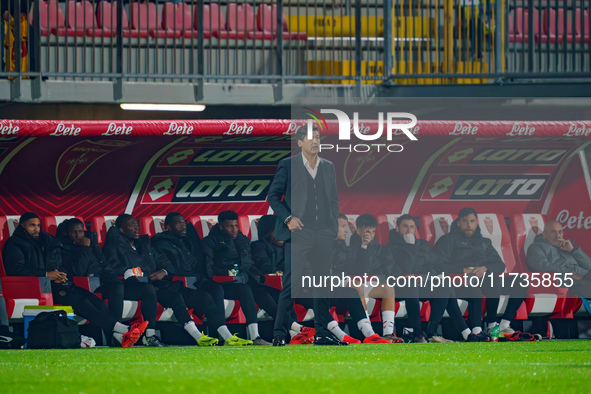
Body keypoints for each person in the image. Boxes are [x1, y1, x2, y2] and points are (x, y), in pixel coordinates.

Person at [3, 212, 145, 347]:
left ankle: (117, 338)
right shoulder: (14, 243)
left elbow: (57, 266)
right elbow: (15, 270)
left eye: (38, 225)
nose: (36, 229)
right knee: (82, 302)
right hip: (34, 287)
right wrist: (46, 274)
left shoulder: (46, 242)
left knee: (98, 303)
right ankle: (124, 329)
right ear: (22, 226)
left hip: (57, 284)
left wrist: (61, 274)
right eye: (32, 225)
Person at [267, 124, 342, 346]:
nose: (315, 141)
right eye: (310, 138)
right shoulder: (288, 165)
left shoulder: (328, 166)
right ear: (299, 143)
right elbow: (273, 196)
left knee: (322, 282)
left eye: (318, 137)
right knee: (291, 282)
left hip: (323, 232)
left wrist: (332, 228)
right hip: (299, 231)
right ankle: (279, 333)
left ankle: (321, 332)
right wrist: (288, 219)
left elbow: (334, 199)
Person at [103, 213, 217, 347]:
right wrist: (131, 271)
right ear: (121, 230)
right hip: (128, 286)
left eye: (136, 224)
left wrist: (163, 271)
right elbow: (111, 267)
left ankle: (198, 336)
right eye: (131, 225)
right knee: (149, 289)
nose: (136, 228)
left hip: (151, 285)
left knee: (175, 296)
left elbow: (166, 263)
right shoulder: (113, 245)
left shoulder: (144, 245)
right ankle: (149, 336)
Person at [151, 212, 252, 346]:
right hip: (175, 285)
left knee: (216, 288)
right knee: (204, 297)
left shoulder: (189, 239)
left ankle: (223, 336)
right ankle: (221, 336)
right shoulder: (161, 243)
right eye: (179, 223)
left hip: (195, 281)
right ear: (168, 227)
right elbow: (169, 266)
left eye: (184, 222)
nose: (183, 226)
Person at [389, 214, 490, 342]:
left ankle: (433, 331)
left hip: (424, 284)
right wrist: (409, 246)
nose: (409, 230)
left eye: (411, 227)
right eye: (405, 226)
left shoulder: (422, 244)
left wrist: (439, 275)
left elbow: (437, 263)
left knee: (446, 285)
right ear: (397, 228)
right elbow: (407, 268)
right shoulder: (392, 247)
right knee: (412, 284)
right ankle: (424, 334)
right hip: (404, 287)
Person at [434, 207, 527, 339]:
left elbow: (500, 265)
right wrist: (462, 270)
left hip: (486, 280)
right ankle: (490, 325)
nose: (469, 225)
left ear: (476, 222)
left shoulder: (484, 242)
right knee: (490, 281)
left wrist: (485, 268)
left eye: (472, 221)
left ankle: (502, 325)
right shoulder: (448, 240)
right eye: (465, 221)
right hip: (462, 282)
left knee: (521, 281)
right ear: (459, 222)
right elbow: (437, 263)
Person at [202, 210, 271, 345]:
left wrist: (260, 274)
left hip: (240, 281)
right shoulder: (209, 242)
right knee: (220, 290)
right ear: (220, 226)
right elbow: (208, 268)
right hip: (218, 283)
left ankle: (254, 336)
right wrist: (225, 274)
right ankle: (223, 337)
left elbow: (248, 263)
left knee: (247, 289)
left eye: (236, 226)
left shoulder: (242, 239)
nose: (234, 230)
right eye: (230, 226)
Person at [250, 214, 314, 344]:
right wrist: (275, 272)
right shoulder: (258, 246)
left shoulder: (289, 247)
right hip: (261, 286)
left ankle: (297, 333)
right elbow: (262, 263)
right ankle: (296, 329)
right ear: (268, 231)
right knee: (279, 297)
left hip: (285, 287)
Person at [57, 218, 124, 323]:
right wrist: (85, 248)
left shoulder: (90, 244)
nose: (78, 235)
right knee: (100, 305)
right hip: (81, 287)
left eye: (81, 231)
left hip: (98, 282)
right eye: (74, 232)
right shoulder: (64, 249)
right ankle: (116, 329)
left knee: (118, 286)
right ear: (66, 233)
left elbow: (102, 264)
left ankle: (117, 327)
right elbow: (77, 272)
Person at [527, 219, 591, 299]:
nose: (558, 236)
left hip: (583, 277)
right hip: (566, 283)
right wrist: (569, 275)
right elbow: (541, 267)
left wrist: (572, 251)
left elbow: (589, 266)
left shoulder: (566, 246)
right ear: (544, 235)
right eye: (553, 232)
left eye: (560, 232)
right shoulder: (536, 248)